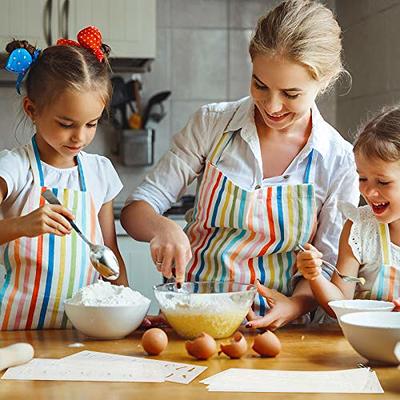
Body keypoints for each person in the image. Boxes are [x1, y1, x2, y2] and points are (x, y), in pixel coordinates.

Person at [121, 0, 359, 330]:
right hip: (195, 321)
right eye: (260, 85)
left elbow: (325, 266)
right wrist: (162, 227)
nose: (272, 106)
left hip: (279, 333)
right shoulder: (212, 124)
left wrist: (293, 306)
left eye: (290, 94)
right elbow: (135, 211)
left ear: (326, 80)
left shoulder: (338, 160)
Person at [0, 26, 128, 330]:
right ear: (32, 109)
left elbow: (109, 251)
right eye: (66, 124)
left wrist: (126, 308)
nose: (79, 137)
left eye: (91, 124)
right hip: (15, 331)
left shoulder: (100, 172)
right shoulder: (14, 168)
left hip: (82, 333)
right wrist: (21, 225)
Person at [297, 106, 400, 315]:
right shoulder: (359, 227)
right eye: (362, 178)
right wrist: (315, 276)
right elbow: (340, 303)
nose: (369, 191)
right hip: (362, 344)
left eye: (382, 181)